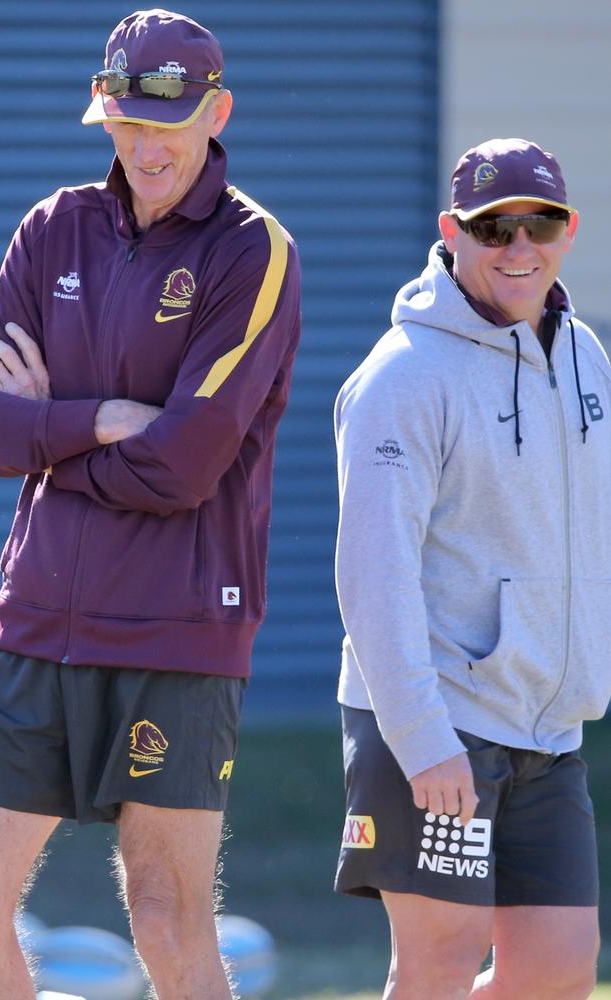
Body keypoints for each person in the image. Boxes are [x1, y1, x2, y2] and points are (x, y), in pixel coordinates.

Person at [0, 9, 300, 999]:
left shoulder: (253, 252)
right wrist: (100, 417)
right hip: (33, 628)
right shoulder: (52, 228)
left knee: (164, 918)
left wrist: (42, 434)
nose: (147, 148)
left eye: (169, 122)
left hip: (176, 636)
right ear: (104, 117)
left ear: (215, 111)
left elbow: (187, 464)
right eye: (128, 122)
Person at [333, 137, 609, 999]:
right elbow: (372, 575)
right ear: (453, 231)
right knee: (438, 968)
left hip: (546, 728)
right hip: (436, 722)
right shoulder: (404, 378)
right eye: (494, 229)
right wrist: (421, 739)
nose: (519, 247)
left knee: (559, 972)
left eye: (540, 224)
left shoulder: (584, 356)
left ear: (569, 231)